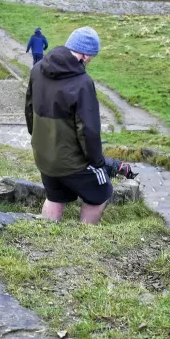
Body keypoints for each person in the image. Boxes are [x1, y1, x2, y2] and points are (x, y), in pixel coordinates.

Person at [25, 27, 112, 225]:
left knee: (55, 196)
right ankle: (84, 237)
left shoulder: (38, 68)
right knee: (101, 193)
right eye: (92, 56)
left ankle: (45, 234)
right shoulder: (82, 83)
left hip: (43, 156)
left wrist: (40, 141)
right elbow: (88, 131)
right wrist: (97, 163)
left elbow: (29, 110)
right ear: (86, 55)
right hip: (70, 162)